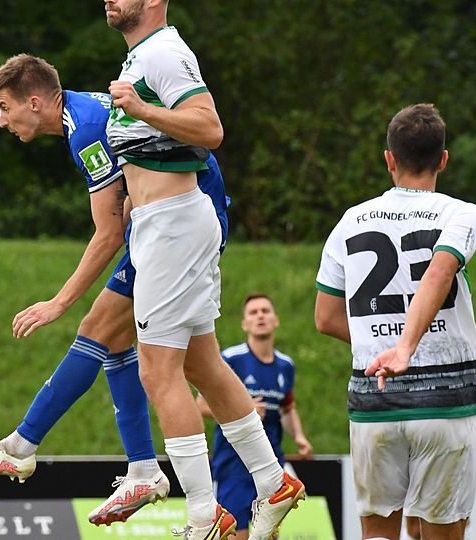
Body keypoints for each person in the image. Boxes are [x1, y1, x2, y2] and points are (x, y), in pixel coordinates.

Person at [0, 53, 230, 526]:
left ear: (34, 102)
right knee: (137, 345)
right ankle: (146, 469)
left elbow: (108, 233)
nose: (2, 121)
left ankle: (21, 446)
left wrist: (57, 302)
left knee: (96, 329)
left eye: (4, 107)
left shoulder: (86, 131)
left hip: (180, 224)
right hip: (177, 220)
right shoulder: (83, 111)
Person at [103, 1, 305, 539]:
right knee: (203, 363)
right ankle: (274, 482)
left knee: (156, 371)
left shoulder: (164, 52)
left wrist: (142, 111)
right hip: (168, 223)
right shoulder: (143, 55)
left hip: (172, 226)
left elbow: (209, 128)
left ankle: (202, 514)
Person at [314, 103, 476, 540]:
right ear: (443, 159)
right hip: (443, 404)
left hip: (374, 401)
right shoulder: (461, 213)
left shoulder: (350, 221)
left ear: (389, 159)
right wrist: (405, 347)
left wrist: (382, 346)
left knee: (377, 533)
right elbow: (439, 272)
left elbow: (325, 317)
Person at [197, 294, 313, 540]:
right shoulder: (231, 359)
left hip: (272, 460)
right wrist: (243, 412)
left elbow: (287, 408)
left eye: (265, 311)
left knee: (269, 532)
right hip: (234, 462)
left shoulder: (285, 365)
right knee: (235, 533)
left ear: (275, 320)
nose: (260, 315)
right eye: (253, 312)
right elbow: (201, 405)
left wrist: (299, 437)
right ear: (245, 324)